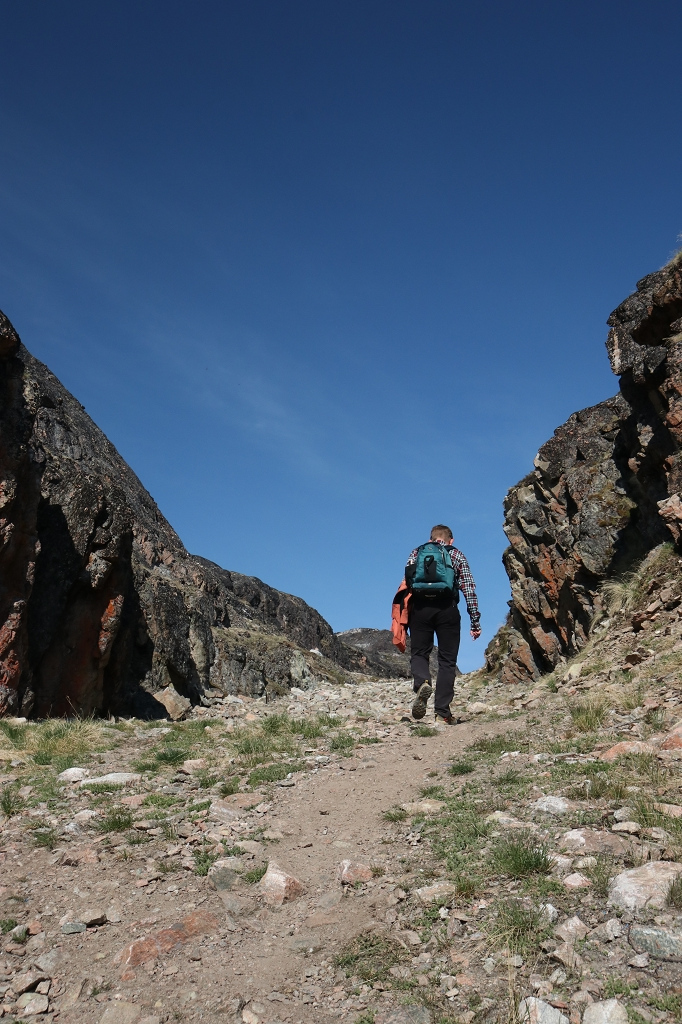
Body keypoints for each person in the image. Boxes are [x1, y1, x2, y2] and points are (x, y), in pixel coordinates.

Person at [405, 524, 481, 725]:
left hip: (420, 609)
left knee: (419, 653)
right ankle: (442, 713)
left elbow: (407, 582)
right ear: (451, 540)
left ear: (430, 538)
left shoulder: (417, 552)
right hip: (447, 609)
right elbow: (469, 588)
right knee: (447, 661)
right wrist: (475, 620)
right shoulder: (456, 554)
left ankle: (422, 682)